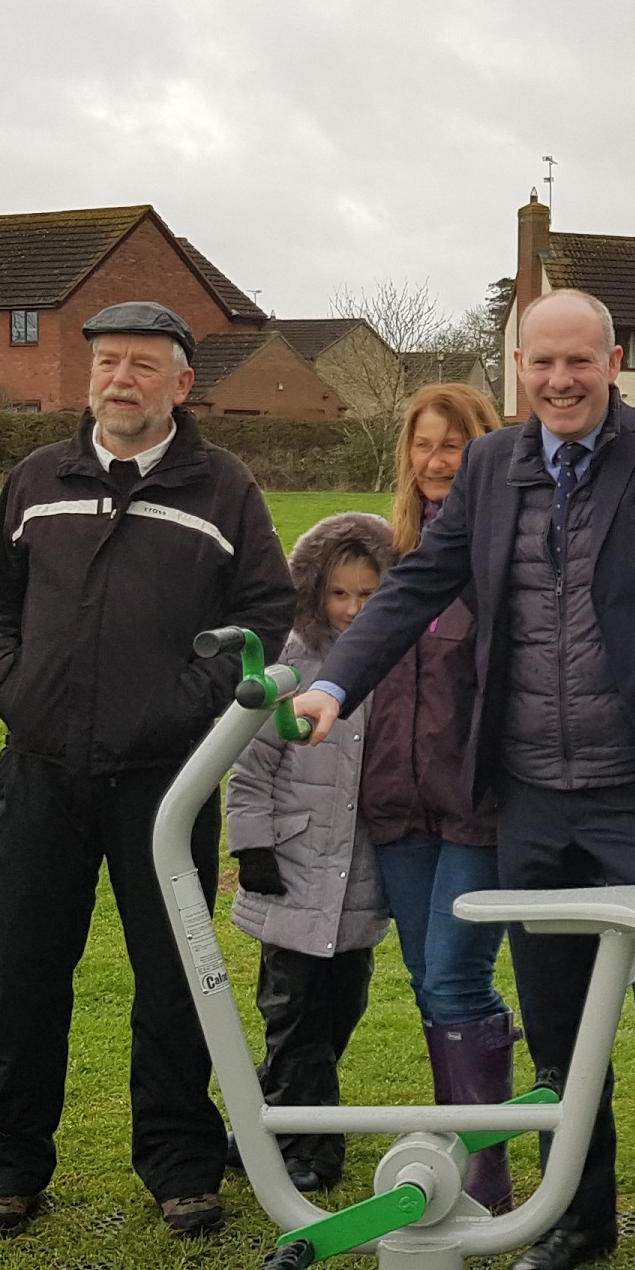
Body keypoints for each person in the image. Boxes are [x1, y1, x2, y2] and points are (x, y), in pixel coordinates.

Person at [284, 289, 635, 1270]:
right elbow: (417, 584)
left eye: (581, 362)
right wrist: (332, 683)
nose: (562, 381)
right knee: (559, 1031)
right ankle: (577, 1221)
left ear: (613, 362)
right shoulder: (492, 465)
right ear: (518, 368)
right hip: (527, 796)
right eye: (543, 364)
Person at [0, 300, 299, 1242]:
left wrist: (182, 709)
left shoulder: (223, 489)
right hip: (40, 773)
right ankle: (10, 1167)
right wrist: (12, 683)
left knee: (177, 976)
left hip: (164, 786)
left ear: (183, 384)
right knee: (26, 974)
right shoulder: (37, 479)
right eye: (108, 362)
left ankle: (182, 1166)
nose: (122, 380)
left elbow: (266, 613)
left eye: (146, 365)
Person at [358, 382, 518, 1213]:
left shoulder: (503, 565)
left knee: (456, 979)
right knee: (427, 980)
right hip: (395, 803)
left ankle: (487, 1177)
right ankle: (461, 1148)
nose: (435, 461)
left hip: (475, 809)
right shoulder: (385, 561)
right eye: (422, 444)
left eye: (452, 445)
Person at [225, 512, 393, 1194]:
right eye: (339, 595)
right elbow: (251, 764)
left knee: (339, 1010)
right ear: (314, 592)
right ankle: (314, 1151)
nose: (352, 610)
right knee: (293, 1017)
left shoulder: (394, 665)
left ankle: (262, 1123)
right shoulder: (288, 665)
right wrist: (253, 844)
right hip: (291, 876)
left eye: (368, 596)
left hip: (361, 873)